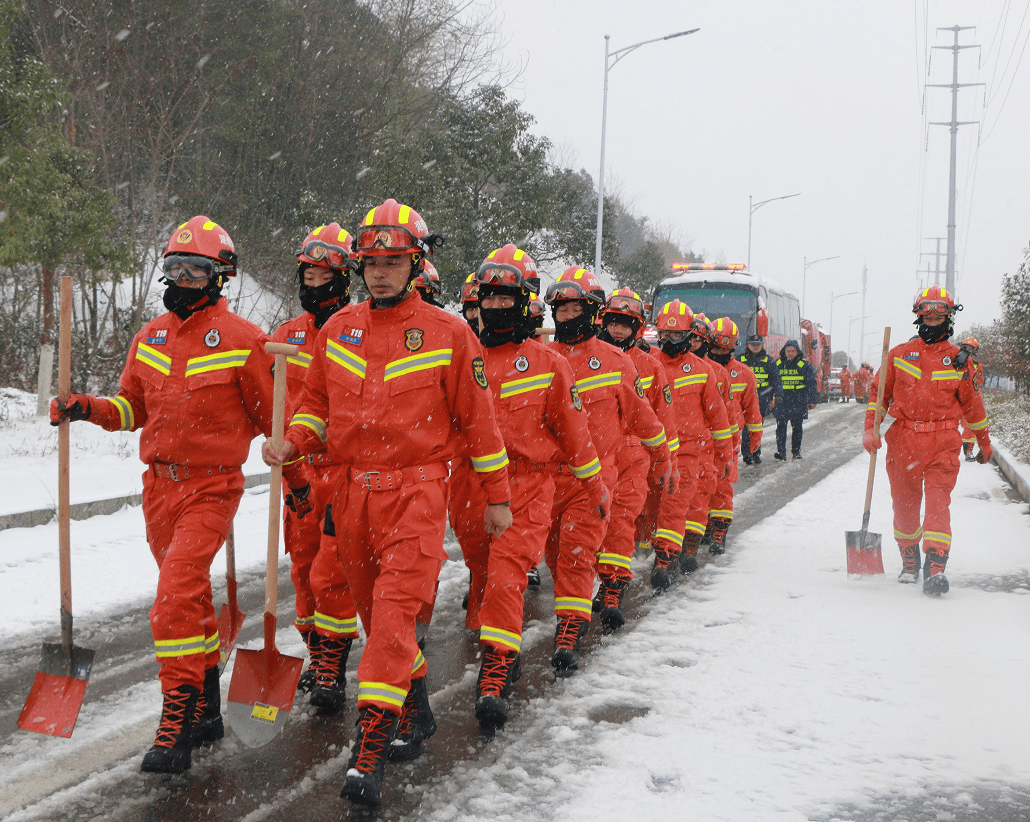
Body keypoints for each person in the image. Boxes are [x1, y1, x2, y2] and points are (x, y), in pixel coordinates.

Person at [262, 199, 512, 810]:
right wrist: (291, 440)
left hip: (417, 493)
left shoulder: (451, 334)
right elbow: (316, 407)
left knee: (397, 614)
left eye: (393, 261)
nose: (380, 273)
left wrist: (498, 498)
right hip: (350, 494)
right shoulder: (337, 329)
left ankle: (369, 747)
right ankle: (416, 707)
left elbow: (479, 424)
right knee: (376, 616)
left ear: (415, 262)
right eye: (371, 262)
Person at [50, 216, 275, 774]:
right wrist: (86, 408)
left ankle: (174, 719)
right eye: (173, 268)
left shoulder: (245, 341)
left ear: (219, 277)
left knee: (173, 597)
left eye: (194, 270)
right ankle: (207, 706)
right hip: (158, 489)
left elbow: (275, 422)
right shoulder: (148, 336)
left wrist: (296, 483)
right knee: (190, 601)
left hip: (212, 488)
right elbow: (132, 410)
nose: (181, 279)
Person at [462, 244, 608, 729]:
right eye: (491, 298)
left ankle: (497, 668)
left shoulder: (548, 364)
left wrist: (594, 487)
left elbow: (575, 435)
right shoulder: (461, 356)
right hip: (467, 488)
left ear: (526, 304)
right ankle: (500, 645)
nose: (497, 307)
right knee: (482, 575)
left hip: (527, 486)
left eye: (508, 299)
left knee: (507, 577)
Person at [544, 267, 672, 672]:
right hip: (544, 479)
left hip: (596, 479)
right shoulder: (541, 359)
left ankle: (570, 625)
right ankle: (575, 605)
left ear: (590, 310)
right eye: (560, 310)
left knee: (579, 552)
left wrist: (664, 457)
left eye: (574, 308)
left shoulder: (617, 363)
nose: (566, 316)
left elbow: (646, 417)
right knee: (553, 552)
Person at [270, 223, 360, 713]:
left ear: (343, 278)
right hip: (299, 473)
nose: (313, 282)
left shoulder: (360, 331)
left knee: (335, 575)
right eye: (307, 272)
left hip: (344, 471)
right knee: (304, 572)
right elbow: (275, 408)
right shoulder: (286, 338)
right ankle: (316, 649)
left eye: (324, 274)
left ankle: (333, 667)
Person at [862, 286, 993, 595]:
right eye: (927, 311)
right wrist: (871, 428)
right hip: (904, 440)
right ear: (918, 315)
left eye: (940, 312)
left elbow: (973, 407)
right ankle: (909, 560)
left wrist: (984, 443)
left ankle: (935, 567)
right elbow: (878, 395)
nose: (932, 318)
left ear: (949, 317)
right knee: (904, 507)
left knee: (937, 505)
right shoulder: (898, 354)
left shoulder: (959, 360)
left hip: (943, 441)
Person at [594, 288, 677, 630]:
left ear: (637, 329)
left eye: (626, 325)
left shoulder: (651, 368)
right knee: (589, 526)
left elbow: (663, 418)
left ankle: (613, 588)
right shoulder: (587, 358)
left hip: (633, 454)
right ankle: (589, 587)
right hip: (593, 455)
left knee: (620, 522)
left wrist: (665, 461)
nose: (618, 330)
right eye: (614, 323)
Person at [651, 300, 733, 591]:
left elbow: (719, 418)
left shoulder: (702, 370)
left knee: (673, 509)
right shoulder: (648, 363)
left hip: (686, 453)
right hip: (649, 451)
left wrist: (726, 457)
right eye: (664, 335)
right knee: (648, 512)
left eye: (676, 335)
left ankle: (664, 562)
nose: (669, 340)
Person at [705, 317, 761, 554]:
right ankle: (704, 524)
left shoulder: (744, 374)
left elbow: (752, 409)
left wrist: (755, 440)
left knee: (723, 485)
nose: (718, 352)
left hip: (730, 441)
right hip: (703, 438)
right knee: (701, 484)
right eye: (715, 347)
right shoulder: (701, 368)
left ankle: (720, 530)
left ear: (733, 348)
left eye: (724, 349)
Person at [739, 333, 782, 464]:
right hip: (744, 397)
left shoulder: (768, 361)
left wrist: (778, 394)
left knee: (757, 427)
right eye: (753, 344)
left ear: (762, 345)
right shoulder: (740, 359)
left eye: (758, 345)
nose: (755, 347)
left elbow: (776, 379)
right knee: (745, 426)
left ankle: (756, 453)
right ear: (748, 345)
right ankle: (746, 454)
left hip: (762, 398)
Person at [773, 339, 818, 460]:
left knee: (797, 428)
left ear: (797, 351)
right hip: (782, 401)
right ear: (784, 351)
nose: (790, 353)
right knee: (781, 428)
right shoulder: (777, 364)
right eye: (788, 351)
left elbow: (811, 383)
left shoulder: (805, 365)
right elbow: (772, 382)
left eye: (793, 351)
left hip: (798, 401)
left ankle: (796, 451)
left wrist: (813, 399)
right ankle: (781, 452)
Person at [954, 337, 985, 462]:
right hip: (954, 400)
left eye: (971, 348)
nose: (968, 350)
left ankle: (968, 452)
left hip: (969, 400)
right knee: (950, 426)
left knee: (969, 427)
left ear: (975, 350)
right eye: (965, 347)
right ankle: (949, 451)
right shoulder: (953, 361)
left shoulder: (978, 365)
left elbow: (980, 380)